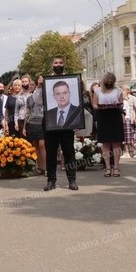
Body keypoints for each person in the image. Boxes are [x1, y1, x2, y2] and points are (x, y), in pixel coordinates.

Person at [43, 56, 80, 191]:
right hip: (50, 123)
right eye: (56, 63)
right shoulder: (45, 81)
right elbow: (37, 100)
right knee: (51, 153)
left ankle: (72, 180)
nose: (58, 65)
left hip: (68, 125)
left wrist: (77, 122)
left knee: (69, 152)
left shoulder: (72, 80)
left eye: (60, 63)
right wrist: (39, 87)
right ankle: (51, 181)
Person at [93, 72, 124, 176]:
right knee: (105, 144)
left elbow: (121, 103)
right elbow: (94, 104)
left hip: (115, 116)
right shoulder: (97, 91)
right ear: (104, 81)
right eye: (108, 80)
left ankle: (116, 167)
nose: (109, 82)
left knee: (116, 143)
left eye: (111, 80)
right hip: (103, 116)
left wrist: (117, 105)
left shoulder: (118, 90)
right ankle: (107, 168)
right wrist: (101, 106)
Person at [24, 75, 46, 176]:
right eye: (30, 84)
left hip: (42, 122)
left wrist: (40, 85)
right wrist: (24, 126)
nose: (32, 86)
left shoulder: (42, 94)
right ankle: (39, 167)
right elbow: (27, 112)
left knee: (42, 145)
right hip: (32, 123)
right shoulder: (29, 98)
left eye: (33, 84)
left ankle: (46, 167)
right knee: (35, 146)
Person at [120, 84, 136, 158]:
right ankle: (129, 152)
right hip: (125, 120)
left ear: (128, 90)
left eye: (123, 89)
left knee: (132, 137)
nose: (121, 91)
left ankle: (135, 150)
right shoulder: (121, 99)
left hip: (131, 119)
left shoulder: (133, 98)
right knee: (127, 137)